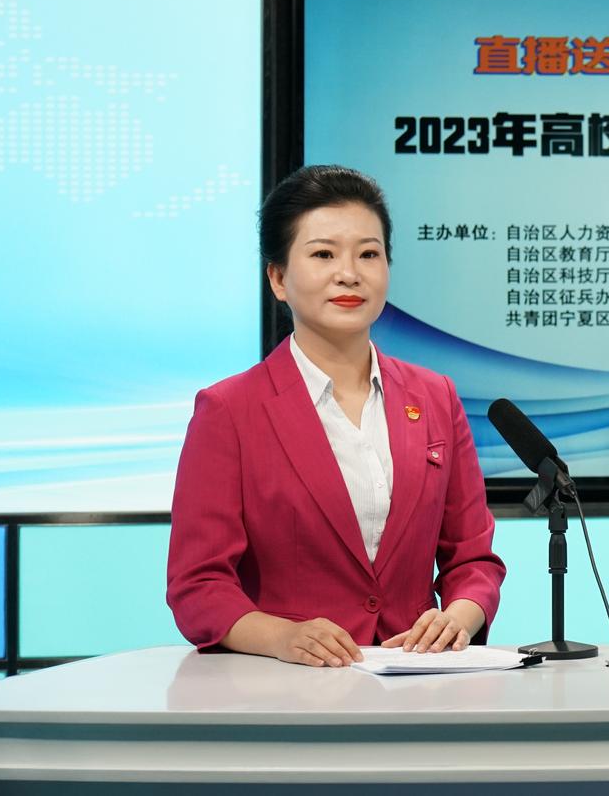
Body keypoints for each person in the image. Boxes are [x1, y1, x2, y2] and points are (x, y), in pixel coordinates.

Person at [167, 165, 505, 666]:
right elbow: (197, 585)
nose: (349, 273)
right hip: (286, 688)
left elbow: (472, 559)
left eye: (368, 254)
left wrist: (459, 616)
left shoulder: (436, 396)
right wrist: (280, 637)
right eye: (323, 254)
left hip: (419, 680)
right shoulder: (228, 411)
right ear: (278, 278)